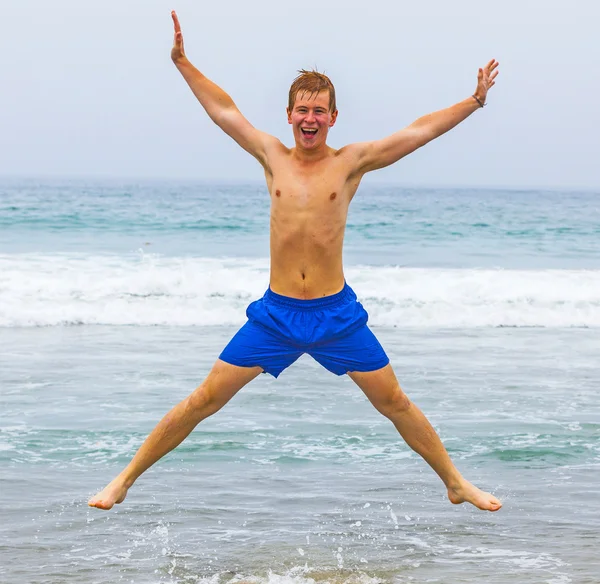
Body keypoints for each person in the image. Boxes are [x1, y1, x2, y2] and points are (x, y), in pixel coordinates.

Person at [89, 11, 501, 512]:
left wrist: (474, 102)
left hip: (335, 315)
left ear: (332, 118)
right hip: (278, 315)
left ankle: (457, 483)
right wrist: (182, 63)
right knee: (203, 401)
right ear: (289, 115)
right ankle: (125, 480)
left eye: (320, 111)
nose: (311, 119)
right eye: (303, 110)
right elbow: (223, 111)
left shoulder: (351, 163)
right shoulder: (272, 156)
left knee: (394, 403)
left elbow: (417, 133)